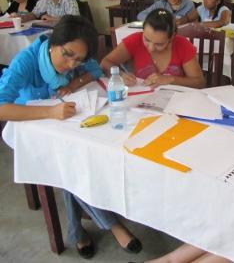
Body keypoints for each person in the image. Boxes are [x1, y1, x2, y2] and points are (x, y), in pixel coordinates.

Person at [0, 15, 142, 259]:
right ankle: (112, 225)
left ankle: (77, 233)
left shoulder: (75, 61)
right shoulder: (27, 62)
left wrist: (75, 82)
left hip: (64, 124)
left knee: (79, 156)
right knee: (69, 167)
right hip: (33, 131)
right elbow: (2, 107)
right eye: (67, 54)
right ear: (54, 43)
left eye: (78, 59)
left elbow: (95, 69)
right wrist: (50, 111)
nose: (70, 64)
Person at [101, 9, 205, 89]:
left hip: (175, 103)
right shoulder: (135, 40)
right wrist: (120, 75)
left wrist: (170, 79)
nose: (150, 48)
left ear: (172, 37)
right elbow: (106, 62)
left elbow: (200, 82)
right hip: (142, 102)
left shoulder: (182, 45)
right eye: (146, 39)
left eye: (159, 44)